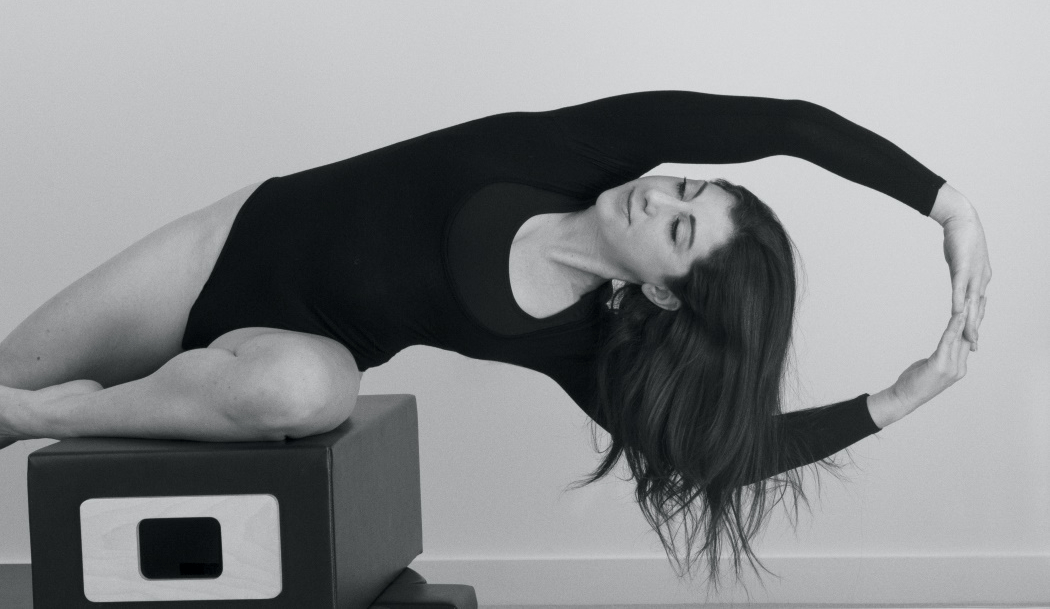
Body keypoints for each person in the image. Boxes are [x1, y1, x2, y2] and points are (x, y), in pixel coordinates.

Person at [0, 90, 991, 593]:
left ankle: (49, 415)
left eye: (681, 228)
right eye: (692, 187)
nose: (665, 195)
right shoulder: (578, 149)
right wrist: (946, 206)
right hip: (221, 245)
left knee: (312, 392)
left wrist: (892, 401)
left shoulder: (575, 341)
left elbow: (711, 450)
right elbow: (785, 122)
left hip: (275, 349)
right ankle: (19, 403)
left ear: (658, 287)